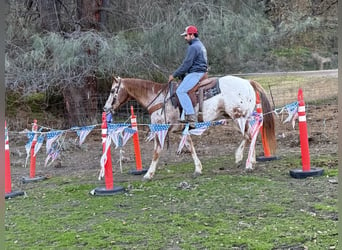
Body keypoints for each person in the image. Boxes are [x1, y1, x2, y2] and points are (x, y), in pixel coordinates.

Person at [168, 25, 208, 123]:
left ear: (192, 35)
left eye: (186, 35)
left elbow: (187, 64)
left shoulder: (193, 47)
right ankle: (183, 116)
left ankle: (191, 116)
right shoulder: (200, 45)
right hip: (200, 71)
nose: (185, 38)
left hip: (196, 73)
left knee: (180, 91)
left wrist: (174, 75)